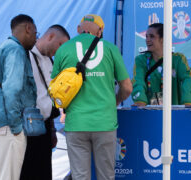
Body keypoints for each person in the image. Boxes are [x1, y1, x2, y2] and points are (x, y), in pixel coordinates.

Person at [51, 14, 132, 180]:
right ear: (100, 31)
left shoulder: (63, 49)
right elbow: (127, 88)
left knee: (80, 176)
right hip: (105, 122)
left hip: (76, 124)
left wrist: (64, 109)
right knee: (106, 176)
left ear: (78, 29)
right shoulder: (110, 48)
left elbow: (54, 89)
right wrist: (113, 102)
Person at [0, 14, 37, 180]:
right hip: (9, 125)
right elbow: (12, 89)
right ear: (28, 28)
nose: (36, 38)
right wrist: (16, 127)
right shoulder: (15, 50)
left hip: (1, 122)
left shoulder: (2, 47)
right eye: (36, 33)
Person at [20, 24, 70, 180]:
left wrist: (53, 129)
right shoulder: (24, 55)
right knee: (26, 171)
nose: (60, 50)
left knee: (44, 172)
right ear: (50, 37)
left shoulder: (51, 61)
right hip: (26, 127)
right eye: (60, 45)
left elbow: (51, 97)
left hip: (45, 128)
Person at [131, 23, 191, 106]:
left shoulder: (178, 59)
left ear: (163, 39)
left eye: (152, 36)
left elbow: (189, 79)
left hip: (174, 113)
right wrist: (140, 100)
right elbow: (138, 81)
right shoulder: (141, 60)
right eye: (146, 36)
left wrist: (187, 100)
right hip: (148, 113)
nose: (147, 40)